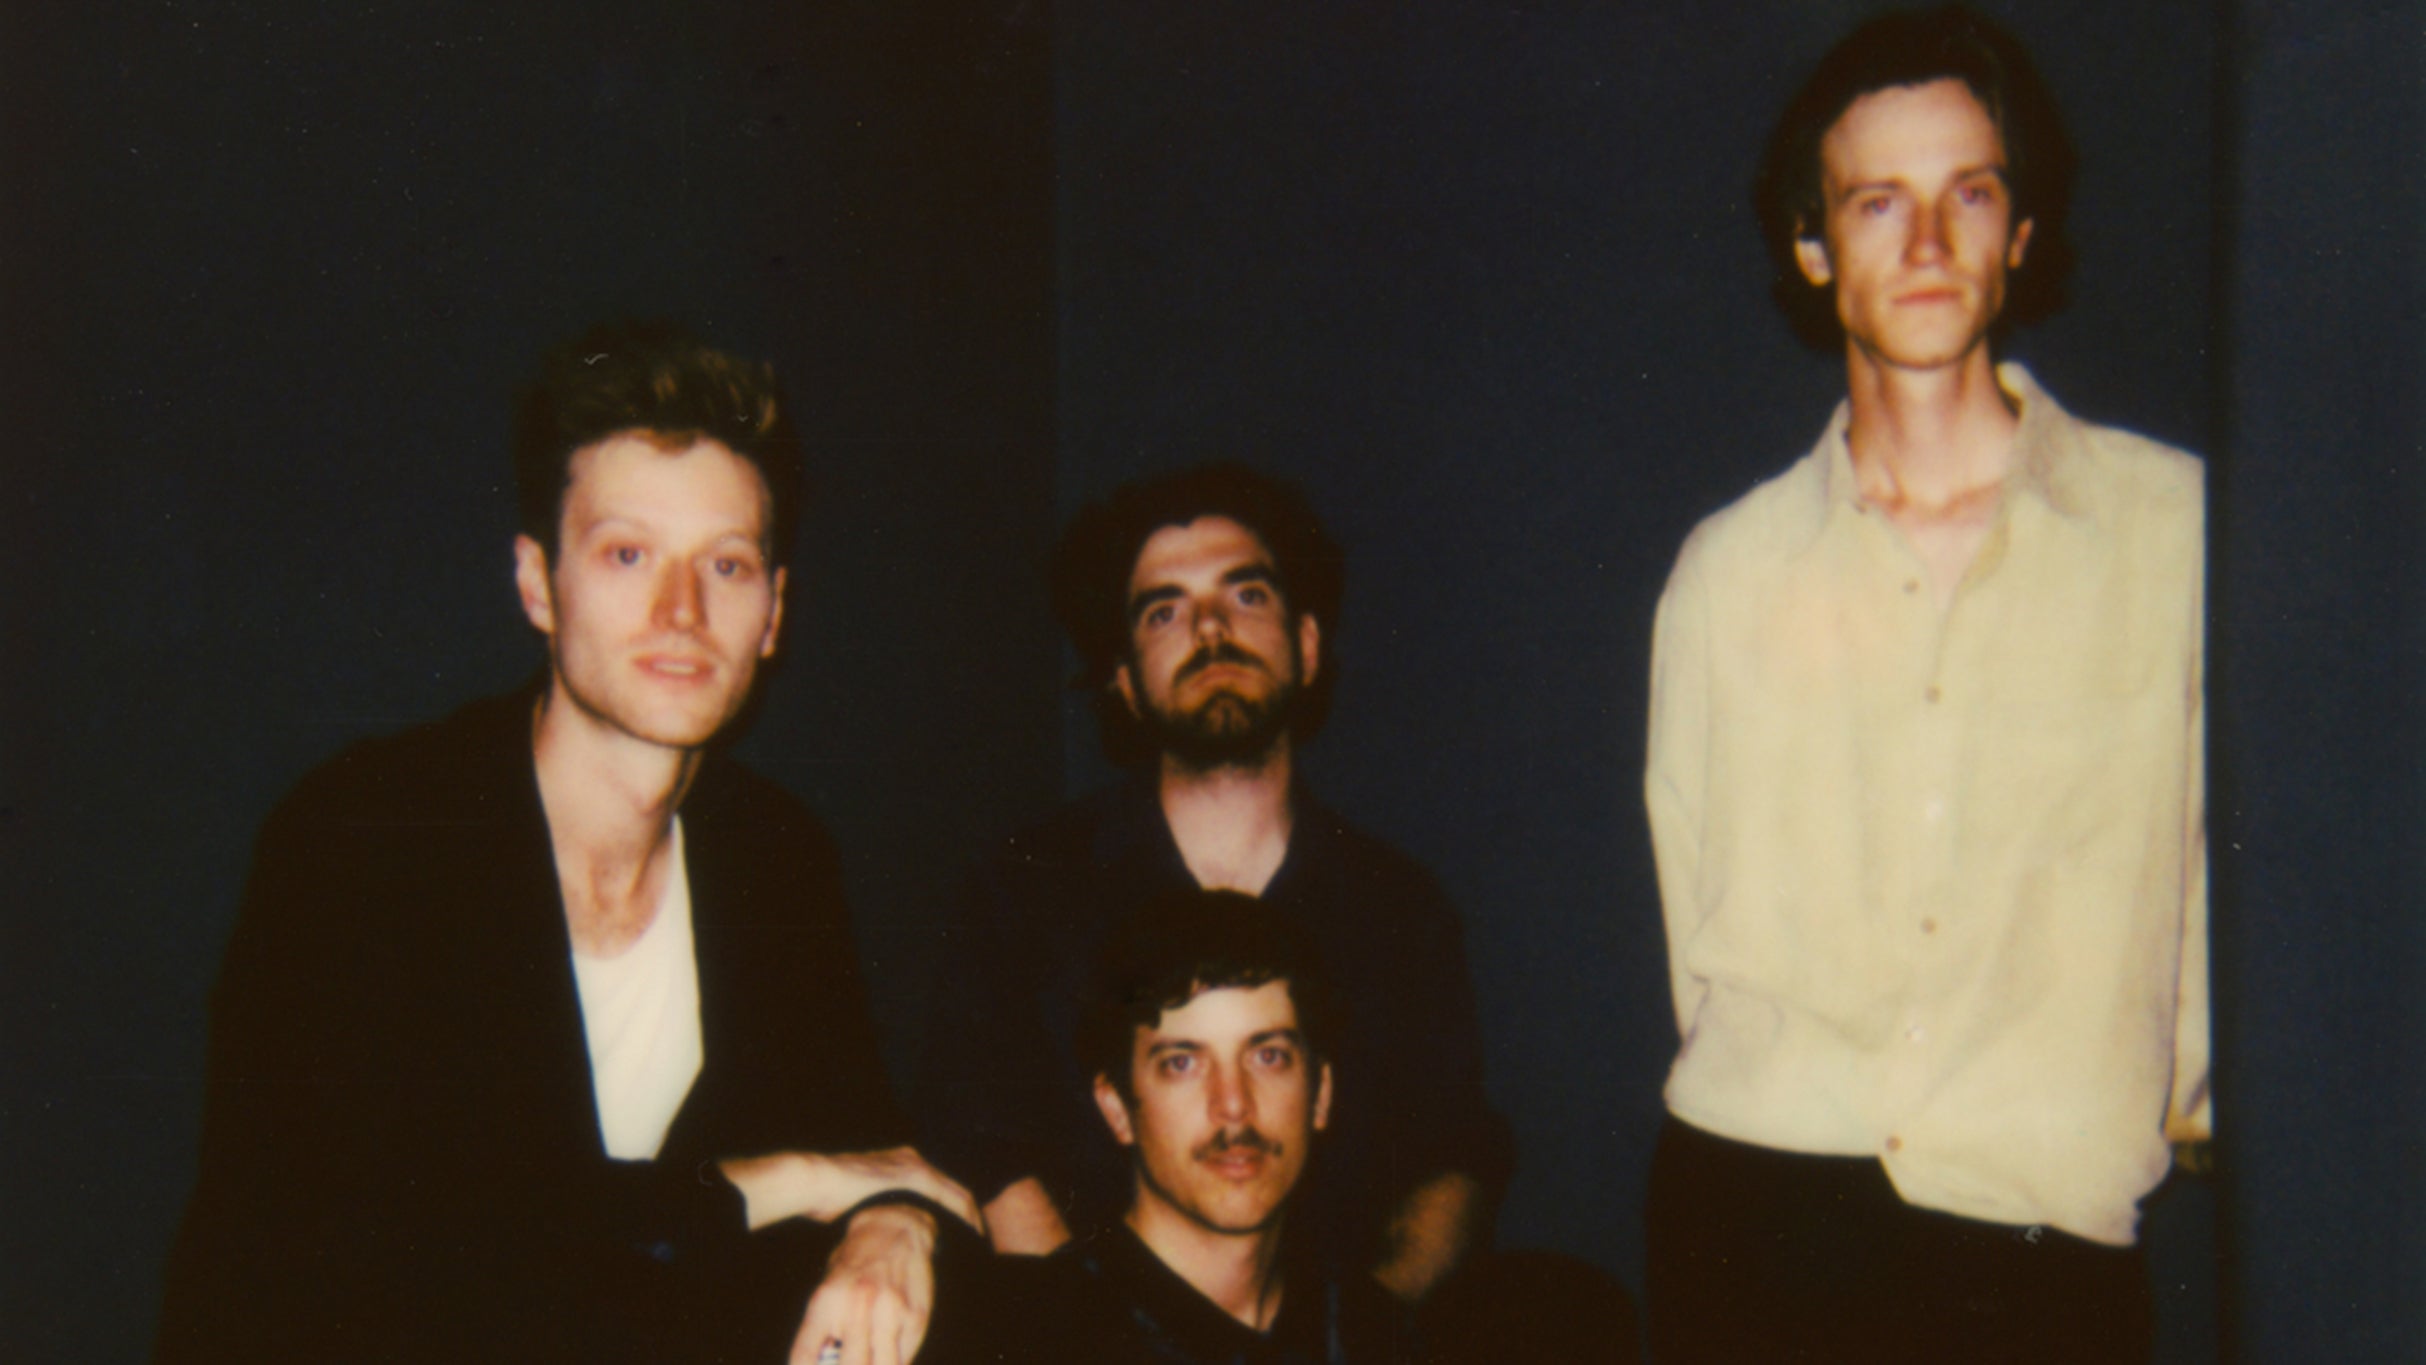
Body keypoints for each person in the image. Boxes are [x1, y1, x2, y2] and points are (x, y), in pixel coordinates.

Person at [158, 321, 978, 1365]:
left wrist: (891, 1224)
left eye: (727, 565)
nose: (681, 611)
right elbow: (390, 1267)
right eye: (628, 554)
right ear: (539, 583)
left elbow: (872, 1150)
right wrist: (790, 1182)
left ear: (773, 613)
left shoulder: (775, 856)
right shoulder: (366, 838)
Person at [1641, 9, 2208, 1362]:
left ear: (2020, 233)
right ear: (1812, 246)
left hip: (2039, 1236)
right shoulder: (1729, 571)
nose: (1928, 242)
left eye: (1970, 193)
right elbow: (1691, 908)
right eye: (1876, 202)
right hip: (1762, 1213)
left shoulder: (2173, 532)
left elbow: (2217, 876)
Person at [916, 463, 1510, 1302]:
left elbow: (1453, 1157)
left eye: (1246, 594)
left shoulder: (1400, 910)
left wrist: (1354, 1338)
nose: (1210, 628)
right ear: (1124, 679)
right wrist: (1097, 1333)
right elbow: (980, 1139)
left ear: (1307, 646)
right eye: (1164, 610)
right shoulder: (1023, 891)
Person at [972, 888, 1416, 1364]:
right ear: (1118, 1108)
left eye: (1268, 1056)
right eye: (1182, 1063)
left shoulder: (1377, 1339)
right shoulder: (1028, 1338)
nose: (1233, 1104)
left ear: (1321, 1094)